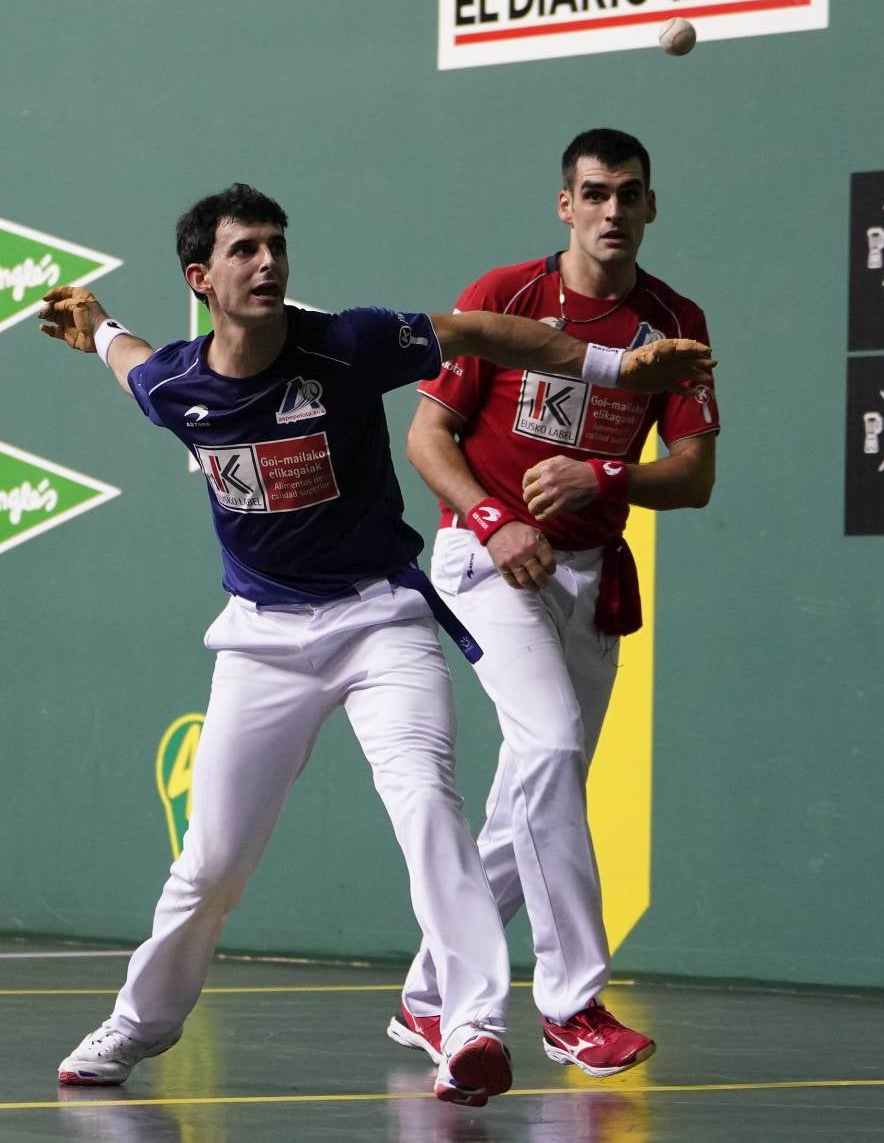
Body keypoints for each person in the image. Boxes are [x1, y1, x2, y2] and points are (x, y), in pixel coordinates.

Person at [38, 182, 714, 1107]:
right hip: (262, 643)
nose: (269, 261)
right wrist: (100, 323)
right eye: (244, 251)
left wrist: (608, 369)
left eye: (277, 244)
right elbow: (131, 365)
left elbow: (478, 332)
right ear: (202, 278)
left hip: (380, 623)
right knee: (211, 864)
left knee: (427, 805)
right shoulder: (178, 388)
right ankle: (139, 1021)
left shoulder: (349, 344)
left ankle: (470, 1025)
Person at [389, 129, 719, 1080]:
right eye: (594, 193)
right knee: (550, 749)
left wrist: (604, 476)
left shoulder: (674, 322)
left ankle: (429, 994)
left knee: (540, 785)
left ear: (651, 207)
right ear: (565, 206)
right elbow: (427, 438)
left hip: (587, 577)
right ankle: (571, 1003)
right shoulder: (506, 297)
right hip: (484, 559)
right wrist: (495, 520)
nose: (613, 210)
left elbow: (693, 478)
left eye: (631, 194)